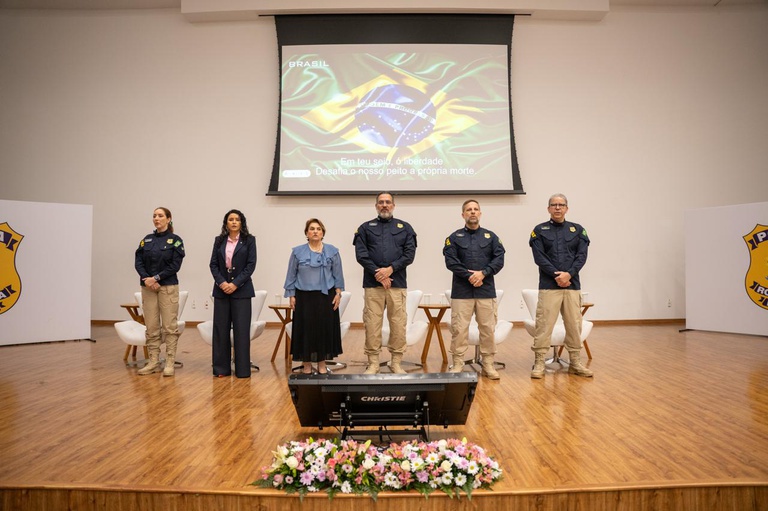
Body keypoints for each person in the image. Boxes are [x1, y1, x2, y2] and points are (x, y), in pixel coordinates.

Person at [529, 193, 593, 379]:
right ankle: (540, 362)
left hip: (572, 286)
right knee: (544, 324)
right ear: (548, 208)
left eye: (561, 205)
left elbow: (582, 256)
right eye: (554, 205)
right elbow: (539, 257)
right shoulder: (539, 230)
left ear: (567, 208)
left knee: (574, 324)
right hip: (550, 285)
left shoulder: (578, 230)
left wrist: (569, 274)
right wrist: (557, 275)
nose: (557, 208)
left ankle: (575, 362)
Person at [353, 192, 417, 374]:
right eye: (381, 202)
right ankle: (373, 362)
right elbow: (361, 255)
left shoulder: (405, 228)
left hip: (397, 284)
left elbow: (409, 255)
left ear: (393, 206)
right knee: (372, 324)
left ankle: (396, 361)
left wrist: (390, 270)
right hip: (373, 284)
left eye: (388, 202)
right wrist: (379, 274)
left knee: (398, 323)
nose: (384, 205)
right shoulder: (365, 228)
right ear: (376, 206)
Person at [443, 199, 505, 380]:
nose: (472, 212)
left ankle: (488, 364)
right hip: (462, 291)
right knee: (459, 329)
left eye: (475, 209)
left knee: (487, 328)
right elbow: (451, 261)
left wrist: (483, 274)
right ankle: (458, 363)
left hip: (485, 291)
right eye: (468, 210)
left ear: (480, 213)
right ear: (463, 214)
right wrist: (470, 276)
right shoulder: (453, 238)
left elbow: (499, 260)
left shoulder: (491, 237)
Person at [283, 218, 345, 374]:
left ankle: (322, 365)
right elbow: (291, 274)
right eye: (312, 229)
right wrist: (291, 295)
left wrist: (338, 293)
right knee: (306, 330)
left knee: (324, 330)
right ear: (306, 233)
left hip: (326, 297)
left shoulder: (333, 251)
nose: (315, 231)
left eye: (318, 229)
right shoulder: (297, 252)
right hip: (304, 297)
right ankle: (307, 365)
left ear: (323, 232)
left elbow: (338, 275)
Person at [134, 207, 185, 377]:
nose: (157, 218)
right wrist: (147, 279)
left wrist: (156, 278)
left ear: (169, 219)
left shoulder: (175, 240)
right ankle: (153, 361)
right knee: (151, 327)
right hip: (148, 288)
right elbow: (138, 262)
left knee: (169, 327)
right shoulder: (146, 240)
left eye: (160, 216)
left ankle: (169, 361)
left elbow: (175, 265)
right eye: (154, 215)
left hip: (168, 287)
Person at [209, 209, 257, 378]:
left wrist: (235, 284)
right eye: (231, 219)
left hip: (242, 291)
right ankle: (221, 369)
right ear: (226, 223)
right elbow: (213, 265)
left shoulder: (249, 240)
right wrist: (222, 283)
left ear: (242, 223)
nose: (234, 222)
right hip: (221, 291)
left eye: (237, 219)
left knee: (241, 331)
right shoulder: (219, 240)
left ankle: (243, 370)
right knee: (220, 330)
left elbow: (250, 265)